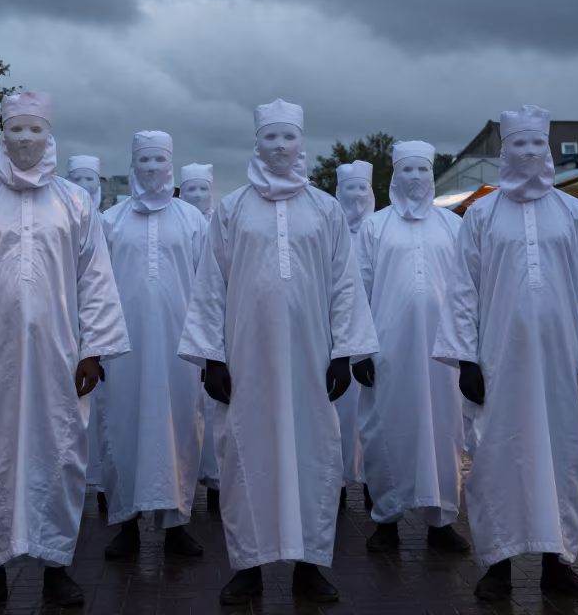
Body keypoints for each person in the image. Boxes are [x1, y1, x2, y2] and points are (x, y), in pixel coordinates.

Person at [0, 91, 130, 610]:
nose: (25, 139)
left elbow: (96, 281)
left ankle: (56, 566)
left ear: (49, 136)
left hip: (61, 360)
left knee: (61, 457)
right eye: (17, 130)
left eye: (35, 130)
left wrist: (93, 351)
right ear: (2, 135)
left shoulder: (74, 203)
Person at [178, 98, 379, 605]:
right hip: (247, 362)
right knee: (246, 458)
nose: (280, 146)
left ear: (301, 143)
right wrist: (212, 357)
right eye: (271, 137)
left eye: (288, 137)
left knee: (314, 458)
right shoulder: (232, 209)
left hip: (311, 362)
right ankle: (249, 564)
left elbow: (345, 285)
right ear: (257, 143)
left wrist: (344, 353)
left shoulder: (325, 209)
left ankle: (309, 566)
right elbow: (210, 286)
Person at [433, 105, 578, 602]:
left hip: (563, 366)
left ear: (547, 150)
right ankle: (497, 563)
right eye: (519, 144)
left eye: (537, 143)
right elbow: (462, 291)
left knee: (563, 458)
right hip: (499, 363)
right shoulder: (479, 215)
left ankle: (556, 564)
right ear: (504, 152)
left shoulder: (574, 214)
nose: (529, 152)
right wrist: (466, 358)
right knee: (498, 456)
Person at [354, 142, 469, 555]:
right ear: (394, 176)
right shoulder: (374, 227)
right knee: (384, 429)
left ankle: (442, 521)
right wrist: (358, 349)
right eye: (408, 170)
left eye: (423, 169)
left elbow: (467, 291)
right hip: (387, 350)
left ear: (432, 174)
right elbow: (358, 290)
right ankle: (386, 520)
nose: (416, 177)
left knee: (446, 431)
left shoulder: (453, 226)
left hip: (444, 353)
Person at [99, 132, 209, 559]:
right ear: (132, 165)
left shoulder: (192, 220)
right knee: (121, 430)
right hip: (122, 350)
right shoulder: (110, 220)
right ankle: (125, 522)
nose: (150, 168)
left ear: (171, 164)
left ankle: (176, 523)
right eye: (143, 160)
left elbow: (207, 289)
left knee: (181, 428)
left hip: (181, 351)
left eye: (158, 160)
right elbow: (96, 288)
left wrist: (207, 348)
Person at [178, 162, 221, 511]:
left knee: (211, 415)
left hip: (210, 342)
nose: (197, 196)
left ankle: (217, 486)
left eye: (202, 189)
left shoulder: (218, 226)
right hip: (175, 341)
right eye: (190, 189)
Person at [68, 154, 108, 511]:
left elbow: (99, 288)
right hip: (65, 344)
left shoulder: (109, 224)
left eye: (90, 180)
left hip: (99, 345)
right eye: (76, 179)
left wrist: (97, 347)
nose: (83, 187)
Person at [334, 160, 375, 512]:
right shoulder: (328, 232)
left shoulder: (382, 230)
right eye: (351, 188)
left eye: (363, 187)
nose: (357, 195)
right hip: (337, 345)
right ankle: (338, 484)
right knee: (340, 419)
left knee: (375, 421)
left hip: (378, 346)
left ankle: (375, 486)